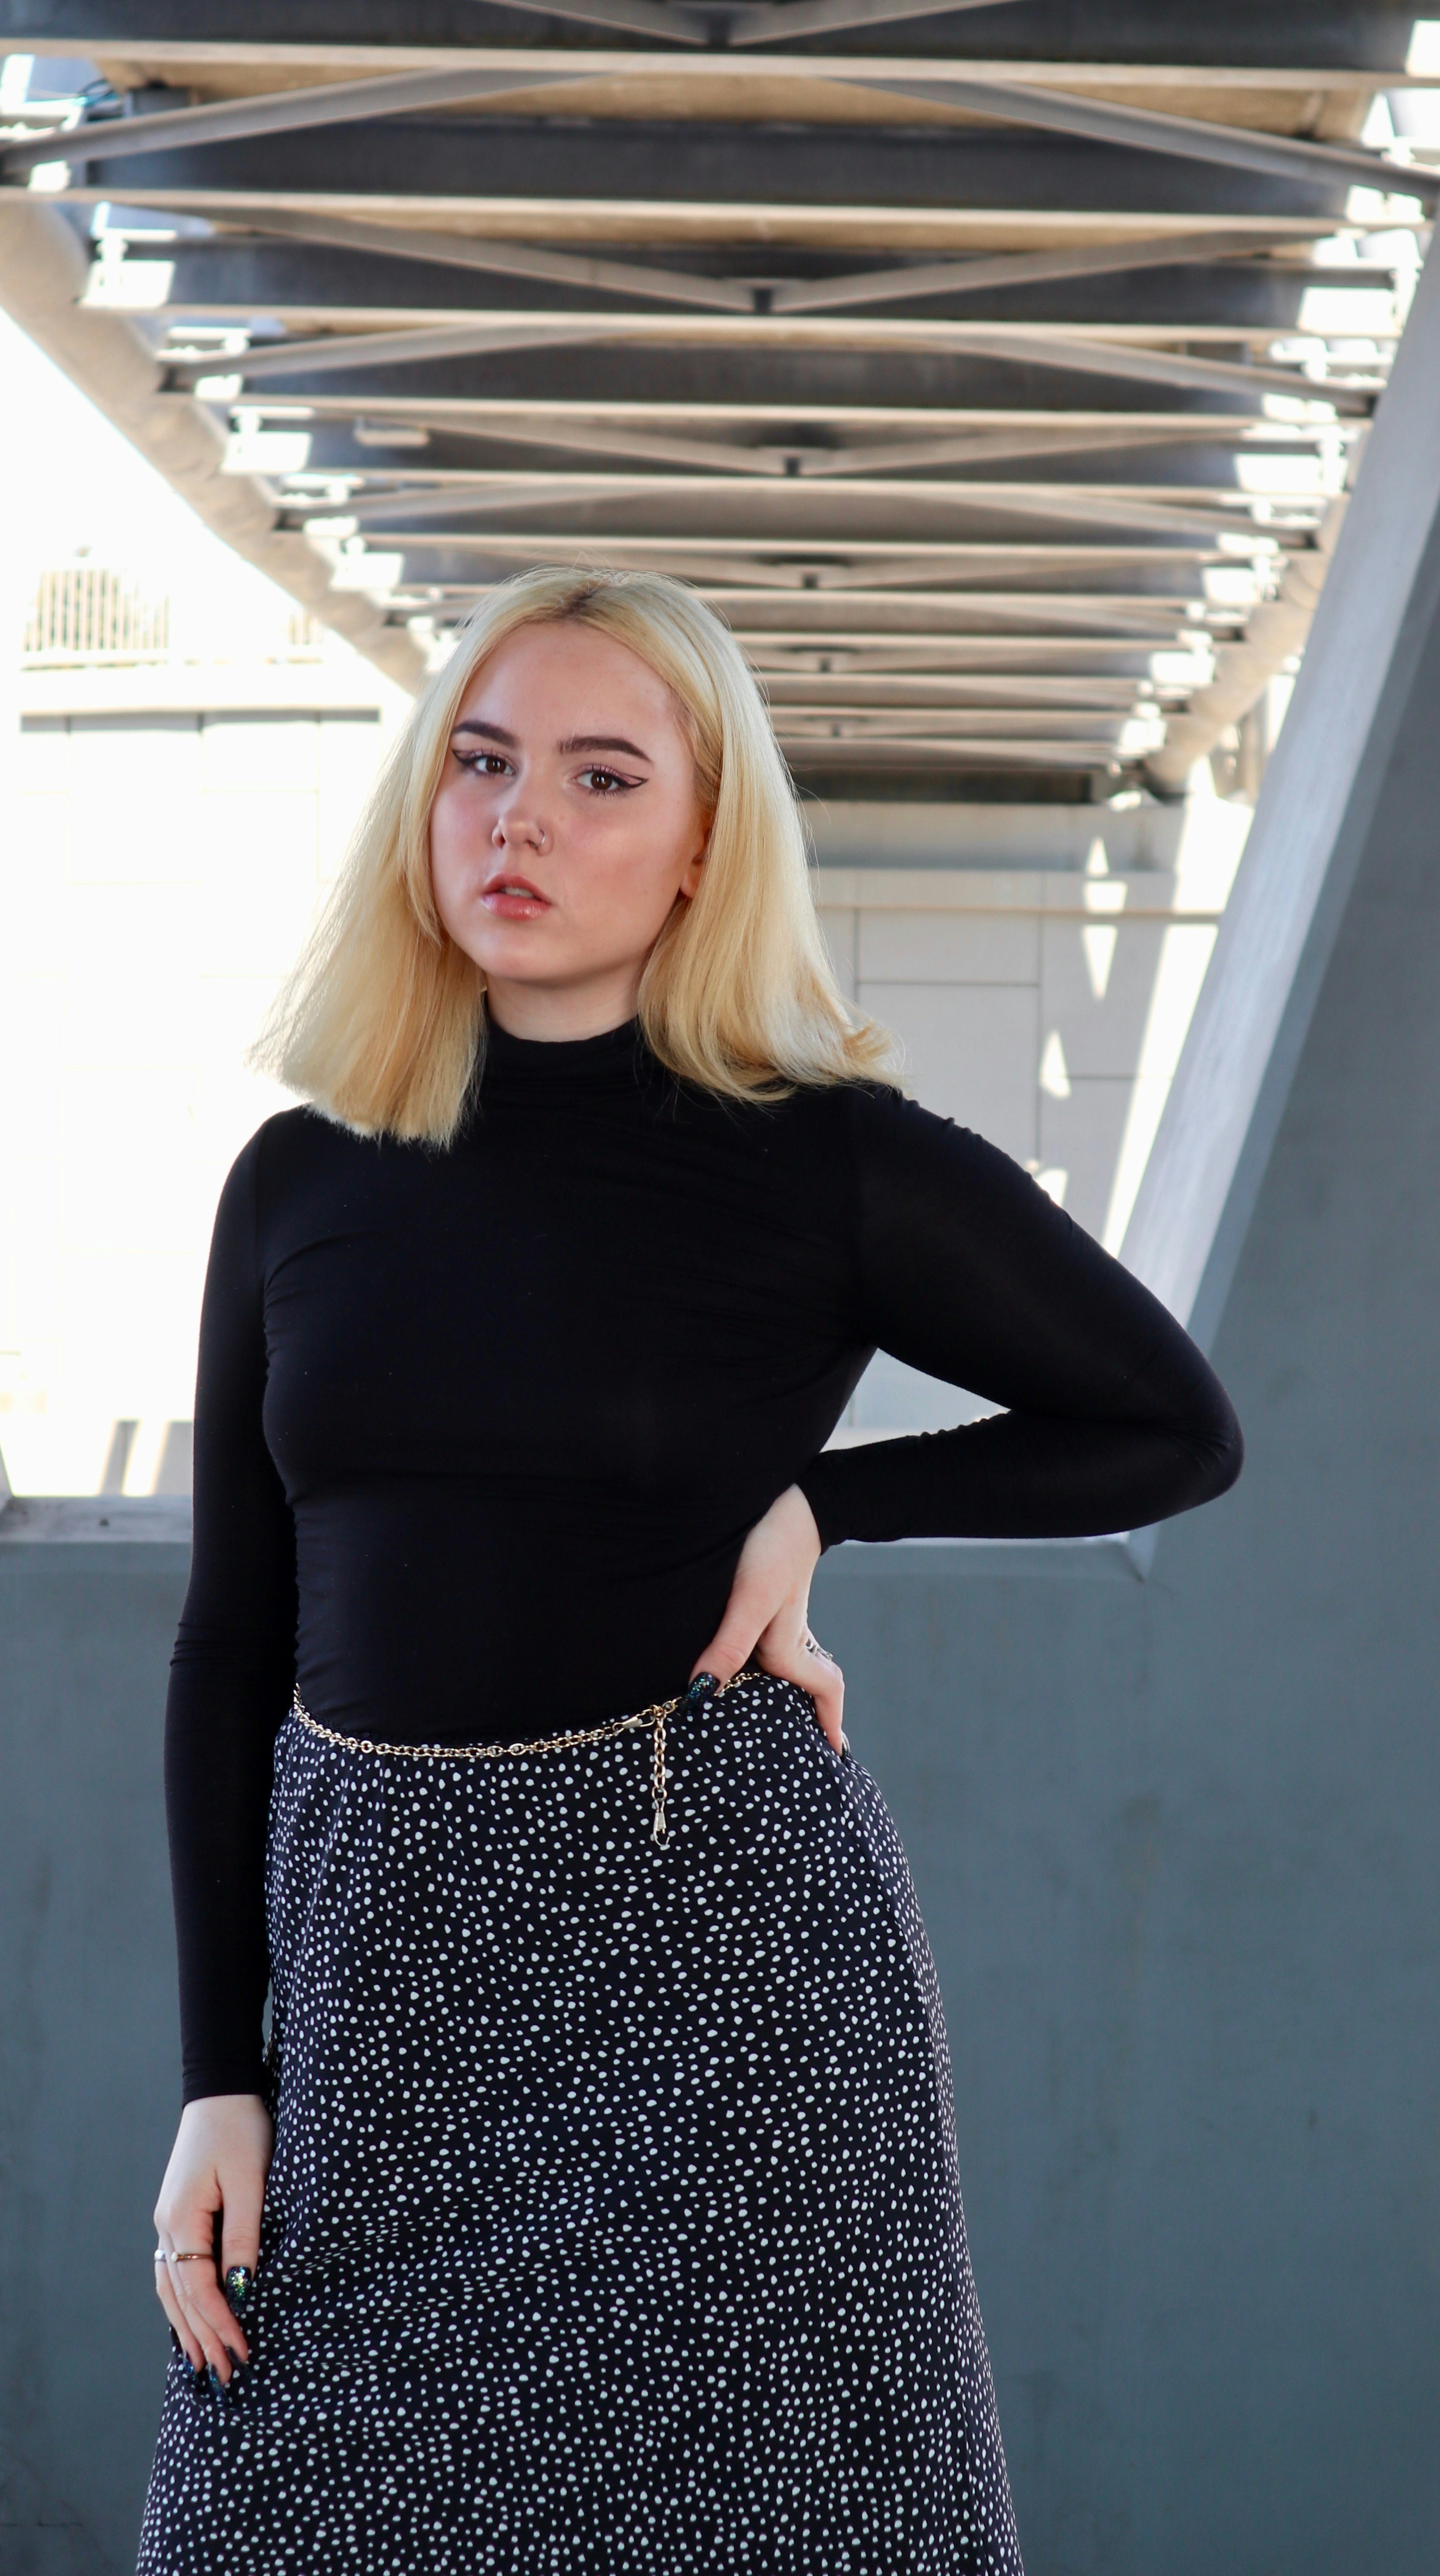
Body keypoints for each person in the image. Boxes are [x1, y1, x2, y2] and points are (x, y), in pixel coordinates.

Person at [136, 565, 1242, 2573]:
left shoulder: (822, 1160)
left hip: (709, 1978)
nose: (516, 821)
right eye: (479, 763)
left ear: (702, 841)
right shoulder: (300, 1179)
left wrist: (825, 1499)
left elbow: (1172, 1425)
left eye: (595, 774)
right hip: (373, 1991)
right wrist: (223, 2079)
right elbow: (230, 1642)